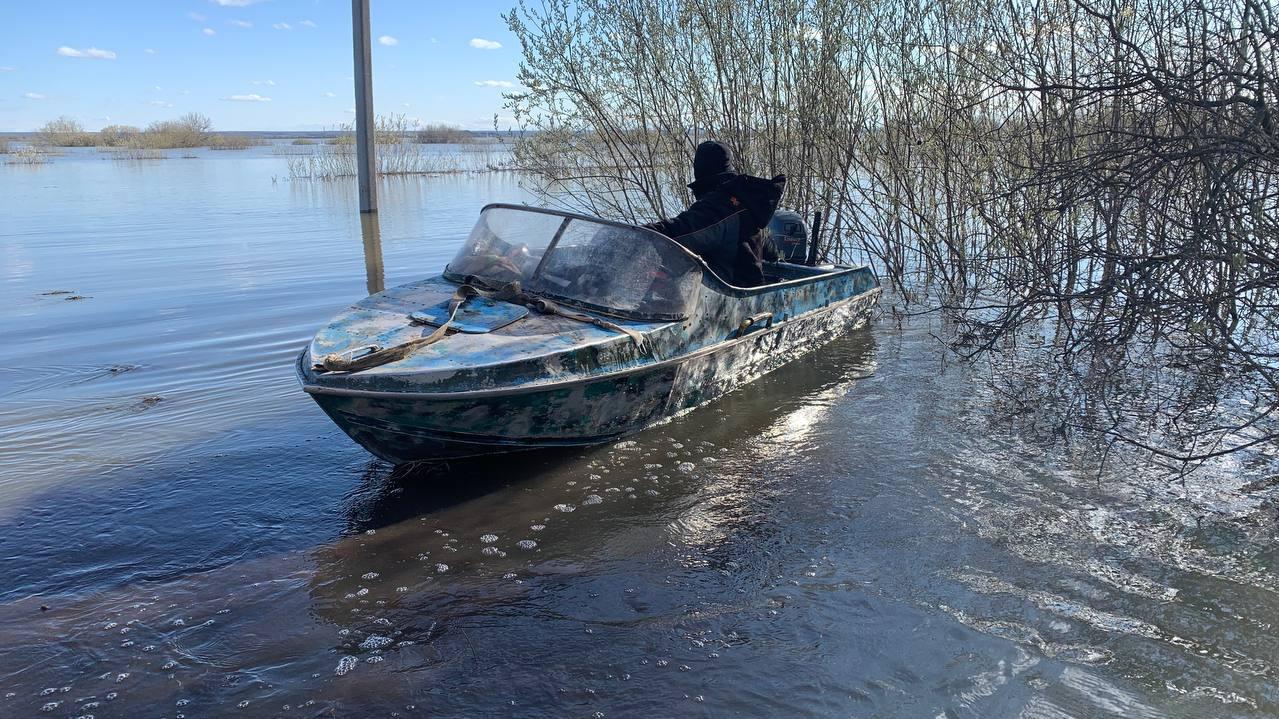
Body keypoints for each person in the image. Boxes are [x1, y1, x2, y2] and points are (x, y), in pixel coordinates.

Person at [644, 141, 786, 287]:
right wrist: (775, 254)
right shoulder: (742, 201)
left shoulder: (718, 207)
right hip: (747, 292)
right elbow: (763, 243)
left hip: (727, 300)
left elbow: (679, 232)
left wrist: (640, 233)